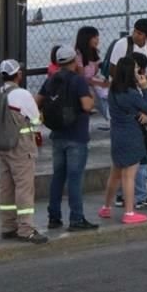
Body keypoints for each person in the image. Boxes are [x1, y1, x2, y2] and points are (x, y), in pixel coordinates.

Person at [38, 45, 96, 232]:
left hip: (57, 135)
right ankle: (76, 218)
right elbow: (87, 106)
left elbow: (36, 101)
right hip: (76, 135)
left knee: (58, 177)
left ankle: (54, 217)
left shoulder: (51, 80)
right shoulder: (78, 81)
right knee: (75, 178)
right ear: (74, 61)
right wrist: (92, 96)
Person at [0, 60, 47, 244]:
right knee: (24, 187)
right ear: (18, 74)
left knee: (6, 187)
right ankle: (26, 229)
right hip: (21, 146)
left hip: (3, 146)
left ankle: (8, 226)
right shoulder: (21, 94)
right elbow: (35, 121)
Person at [99, 56, 147, 222]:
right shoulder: (131, 93)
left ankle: (106, 207)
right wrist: (145, 87)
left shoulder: (114, 90)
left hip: (117, 135)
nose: (139, 72)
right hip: (131, 135)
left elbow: (129, 109)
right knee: (129, 176)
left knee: (115, 174)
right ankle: (129, 212)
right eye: (136, 69)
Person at [114, 52, 147, 211]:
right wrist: (144, 101)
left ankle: (122, 196)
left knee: (124, 166)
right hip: (136, 133)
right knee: (141, 164)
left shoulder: (116, 88)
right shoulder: (136, 89)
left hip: (121, 133)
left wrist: (142, 111)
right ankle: (141, 197)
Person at [75, 26, 110, 130]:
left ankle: (111, 116)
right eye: (94, 37)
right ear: (86, 39)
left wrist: (103, 81)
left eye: (97, 37)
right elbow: (82, 78)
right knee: (99, 95)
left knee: (108, 90)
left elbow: (97, 72)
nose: (97, 40)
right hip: (83, 84)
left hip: (93, 81)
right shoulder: (79, 55)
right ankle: (110, 117)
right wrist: (99, 84)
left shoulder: (94, 52)